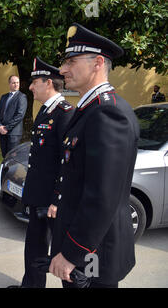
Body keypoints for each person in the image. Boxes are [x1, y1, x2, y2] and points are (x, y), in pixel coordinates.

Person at [49, 23, 139, 288]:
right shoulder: (90, 109)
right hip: (86, 247)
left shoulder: (107, 113)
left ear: (98, 62)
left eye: (72, 61)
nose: (63, 69)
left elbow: (101, 197)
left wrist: (72, 253)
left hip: (92, 253)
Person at [15, 57, 74, 288]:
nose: (30, 87)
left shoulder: (65, 112)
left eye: (34, 82)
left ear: (48, 83)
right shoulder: (45, 110)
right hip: (38, 195)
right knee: (34, 246)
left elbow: (67, 162)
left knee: (61, 254)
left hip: (52, 201)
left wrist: (57, 199)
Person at [0, 75, 28, 157]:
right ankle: (4, 170)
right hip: (3, 132)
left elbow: (20, 115)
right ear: (9, 84)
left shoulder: (22, 97)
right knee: (5, 156)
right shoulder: (4, 97)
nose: (16, 84)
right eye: (14, 83)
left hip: (14, 133)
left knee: (12, 158)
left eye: (17, 82)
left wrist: (6, 128)